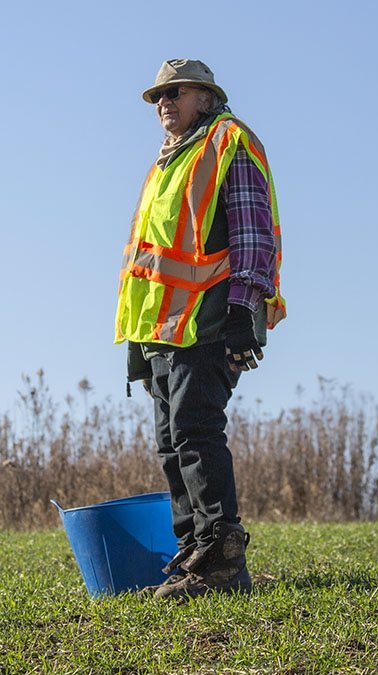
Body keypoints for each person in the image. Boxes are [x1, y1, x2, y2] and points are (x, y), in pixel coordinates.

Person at [114, 59, 284, 601]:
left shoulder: (228, 143)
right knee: (172, 442)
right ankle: (195, 556)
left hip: (211, 319)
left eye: (176, 93)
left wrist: (241, 310)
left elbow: (253, 232)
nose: (164, 102)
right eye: (159, 95)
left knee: (196, 430)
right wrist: (141, 345)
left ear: (206, 99)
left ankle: (222, 561)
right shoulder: (167, 163)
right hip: (163, 328)